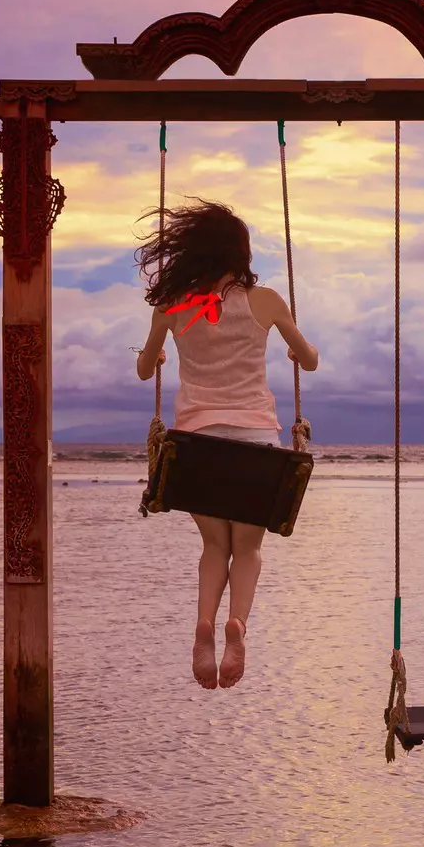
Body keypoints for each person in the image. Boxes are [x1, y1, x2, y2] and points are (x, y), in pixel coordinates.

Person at [135, 200, 318, 688]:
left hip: (195, 445)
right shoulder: (268, 302)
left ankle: (203, 626)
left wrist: (158, 354)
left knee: (214, 545)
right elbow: (310, 360)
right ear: (241, 252)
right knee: (249, 549)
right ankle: (238, 624)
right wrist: (293, 347)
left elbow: (144, 367)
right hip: (256, 443)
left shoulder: (171, 307)